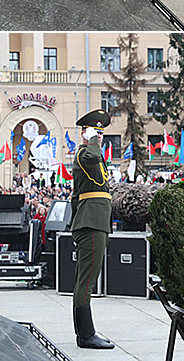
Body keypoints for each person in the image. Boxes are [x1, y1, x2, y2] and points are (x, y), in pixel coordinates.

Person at [71, 109, 113, 350]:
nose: (100, 136)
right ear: (86, 134)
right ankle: (86, 335)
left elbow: (77, 197)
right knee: (86, 282)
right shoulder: (86, 154)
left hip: (92, 220)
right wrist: (93, 140)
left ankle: (85, 333)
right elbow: (92, 157)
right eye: (96, 131)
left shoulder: (91, 156)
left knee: (85, 280)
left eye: (101, 132)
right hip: (92, 222)